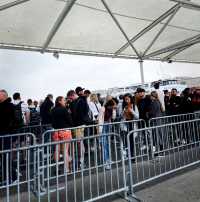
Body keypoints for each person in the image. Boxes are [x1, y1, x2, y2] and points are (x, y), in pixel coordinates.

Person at [51, 96, 73, 171]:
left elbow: (52, 122)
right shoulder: (64, 109)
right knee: (65, 150)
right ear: (59, 101)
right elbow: (70, 121)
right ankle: (66, 169)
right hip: (65, 131)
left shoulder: (53, 110)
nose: (65, 101)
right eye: (64, 100)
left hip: (56, 131)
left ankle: (57, 168)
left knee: (57, 149)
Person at [0, 90, 17, 184]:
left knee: (6, 157)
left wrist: (12, 134)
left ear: (4, 96)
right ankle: (5, 178)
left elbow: (15, 121)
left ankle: (13, 177)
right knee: (3, 157)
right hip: (3, 134)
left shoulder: (10, 106)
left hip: (6, 134)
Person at [101, 99, 116, 170]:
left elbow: (113, 117)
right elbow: (100, 119)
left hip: (108, 125)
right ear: (109, 105)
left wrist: (114, 110)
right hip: (103, 126)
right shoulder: (103, 108)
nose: (114, 107)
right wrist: (99, 130)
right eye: (113, 106)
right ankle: (105, 162)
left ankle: (108, 159)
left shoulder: (111, 109)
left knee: (108, 144)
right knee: (104, 144)